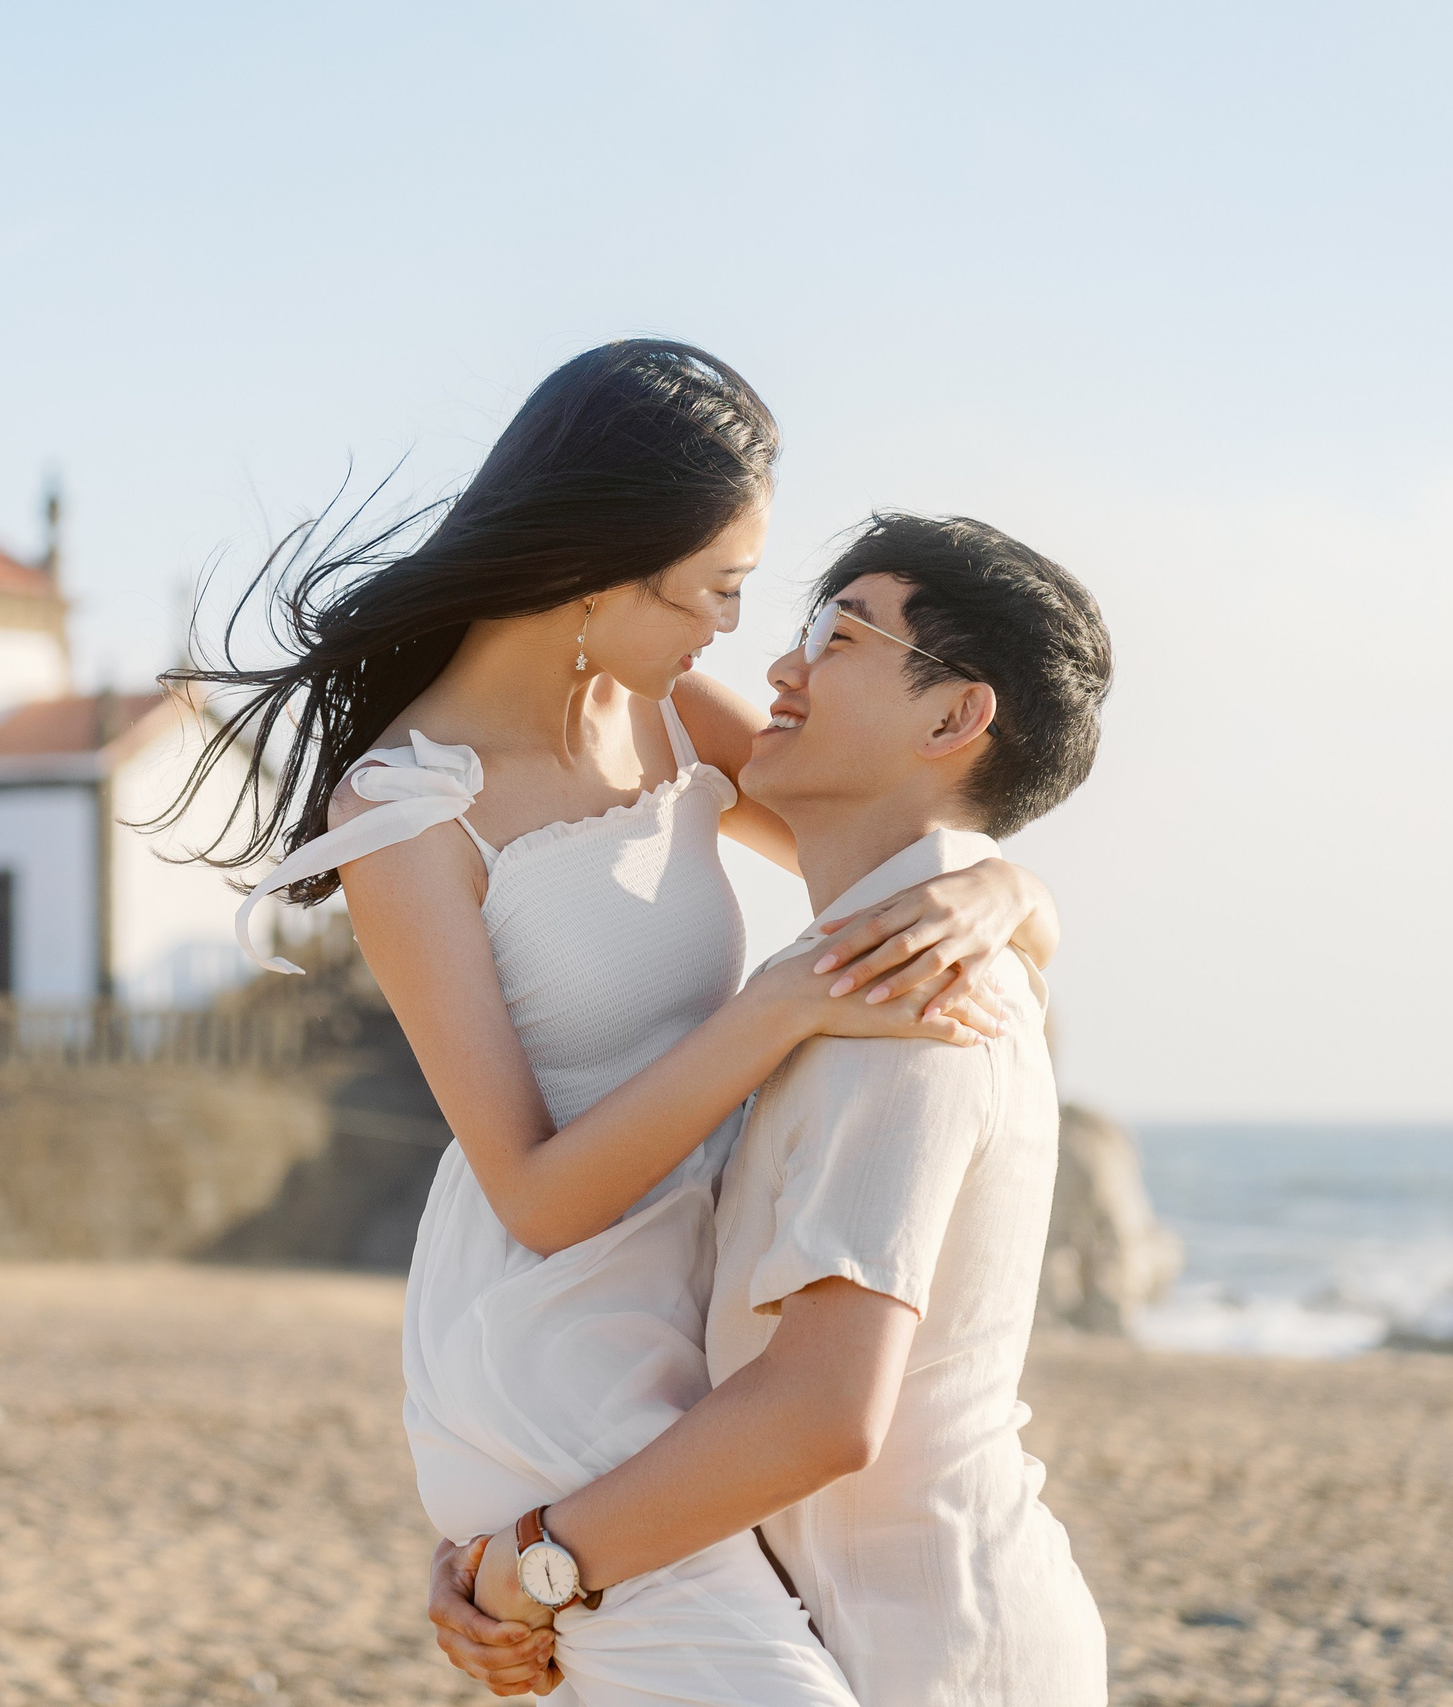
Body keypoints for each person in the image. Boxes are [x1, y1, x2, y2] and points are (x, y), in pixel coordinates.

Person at [159, 340, 1062, 1705]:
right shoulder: (405, 809)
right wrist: (772, 1009)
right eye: (716, 588)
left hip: (685, 1330)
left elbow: (880, 847)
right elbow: (531, 1189)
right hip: (551, 1336)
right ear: (600, 561)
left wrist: (996, 883)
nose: (737, 638)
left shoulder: (663, 716)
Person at [439, 514, 1113, 1704]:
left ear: (955, 720)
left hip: (936, 1652)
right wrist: (525, 1552)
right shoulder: (845, 977)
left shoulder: (908, 1001)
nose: (783, 667)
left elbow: (816, 1412)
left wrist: (539, 1567)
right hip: (864, 1624)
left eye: (838, 635)